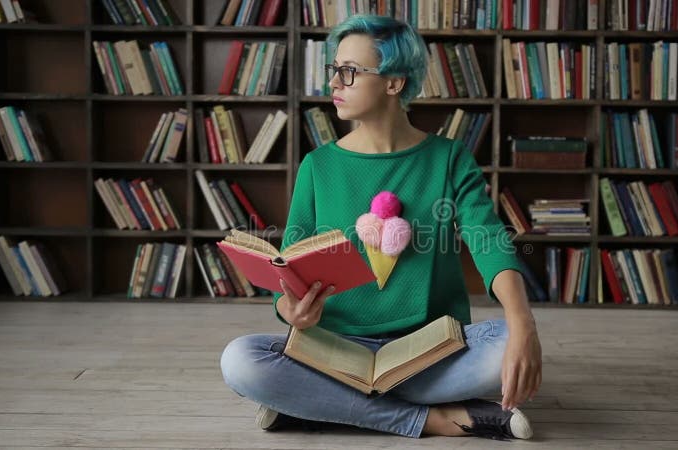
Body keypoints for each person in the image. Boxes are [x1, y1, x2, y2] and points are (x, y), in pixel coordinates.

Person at [220, 14, 542, 441]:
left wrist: (524, 324)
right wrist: (289, 309)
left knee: (507, 340)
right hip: (334, 350)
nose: (334, 83)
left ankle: (320, 405)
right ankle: (428, 418)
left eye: (349, 72)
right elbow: (289, 271)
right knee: (240, 360)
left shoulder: (450, 159)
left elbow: (489, 242)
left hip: (430, 350)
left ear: (394, 83)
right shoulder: (318, 166)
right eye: (334, 70)